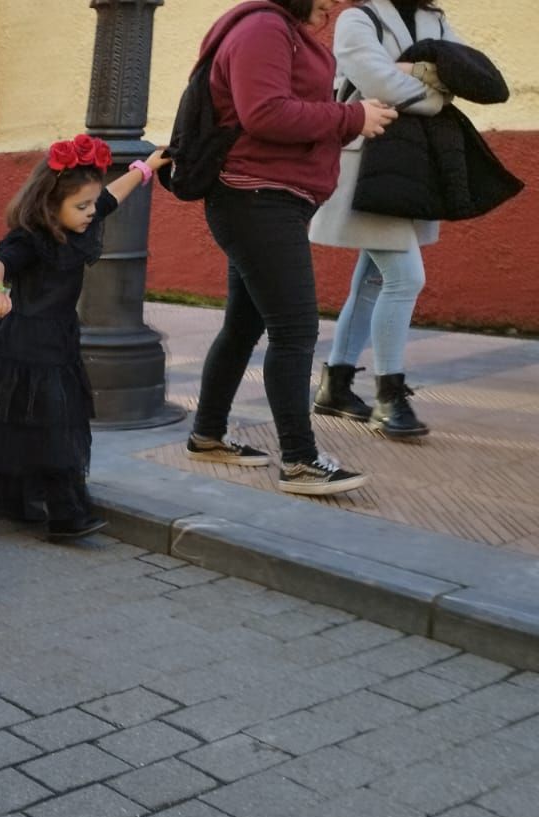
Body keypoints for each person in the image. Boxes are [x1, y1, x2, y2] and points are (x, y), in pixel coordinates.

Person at [184, 0, 396, 495]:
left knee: (243, 325)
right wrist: (351, 117)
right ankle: (300, 461)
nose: (335, 2)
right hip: (257, 199)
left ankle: (208, 434)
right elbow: (266, 113)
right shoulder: (263, 28)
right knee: (295, 330)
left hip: (267, 198)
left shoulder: (279, 29)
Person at [0, 136, 170, 541]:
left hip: (59, 342)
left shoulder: (78, 221)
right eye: (82, 206)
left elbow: (112, 195)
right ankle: (65, 514)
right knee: (48, 425)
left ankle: (32, 503)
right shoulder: (31, 238)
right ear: (49, 205)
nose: (92, 212)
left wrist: (149, 166)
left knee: (48, 423)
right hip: (22, 345)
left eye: (91, 205)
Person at [310, 0, 461, 440]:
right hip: (366, 166)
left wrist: (412, 72)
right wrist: (433, 82)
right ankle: (389, 396)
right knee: (404, 278)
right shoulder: (358, 18)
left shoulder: (437, 19)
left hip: (413, 164)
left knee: (376, 278)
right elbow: (379, 82)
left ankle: (336, 384)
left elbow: (470, 72)